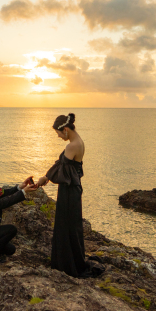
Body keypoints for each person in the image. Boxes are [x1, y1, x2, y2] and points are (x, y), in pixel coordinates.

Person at [36, 113, 99, 278]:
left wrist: (46, 178)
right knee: (72, 225)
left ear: (65, 129)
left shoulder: (71, 146)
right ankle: (74, 260)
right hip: (74, 188)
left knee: (65, 225)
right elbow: (62, 165)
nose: (57, 136)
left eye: (58, 132)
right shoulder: (79, 142)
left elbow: (61, 169)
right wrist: (47, 176)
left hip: (69, 190)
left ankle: (66, 265)